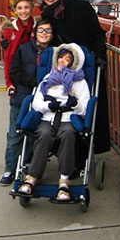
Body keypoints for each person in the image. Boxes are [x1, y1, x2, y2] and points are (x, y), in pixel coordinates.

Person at [35, 0, 110, 154]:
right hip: (63, 69)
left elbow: (97, 34)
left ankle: (89, 151)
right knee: (65, 109)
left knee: (88, 108)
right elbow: (43, 38)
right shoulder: (46, 16)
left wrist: (100, 56)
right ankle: (67, 154)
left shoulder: (82, 7)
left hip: (87, 66)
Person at [18, 43, 90, 201]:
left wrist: (75, 104)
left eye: (68, 59)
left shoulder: (80, 82)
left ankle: (64, 180)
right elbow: (36, 103)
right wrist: (48, 105)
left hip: (67, 118)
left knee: (69, 135)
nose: (63, 61)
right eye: (61, 57)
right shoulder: (47, 78)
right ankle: (31, 178)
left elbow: (85, 109)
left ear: (73, 62)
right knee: (43, 135)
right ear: (56, 59)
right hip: (48, 117)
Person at [0, 19, 54, 185]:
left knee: (34, 134)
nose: (44, 33)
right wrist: (34, 82)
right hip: (23, 96)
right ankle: (10, 168)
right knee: (15, 133)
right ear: (35, 33)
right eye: (41, 30)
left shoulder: (56, 52)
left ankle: (29, 164)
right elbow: (14, 71)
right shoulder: (23, 49)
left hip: (43, 99)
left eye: (48, 31)